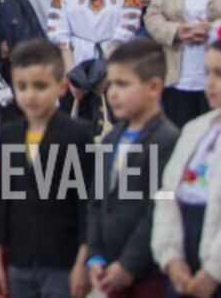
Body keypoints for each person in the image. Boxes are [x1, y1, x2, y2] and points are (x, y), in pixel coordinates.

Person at [0, 39, 93, 298]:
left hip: (62, 261)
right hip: (19, 260)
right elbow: (1, 203)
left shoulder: (78, 134)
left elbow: (89, 203)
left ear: (61, 86)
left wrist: (83, 260)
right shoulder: (9, 135)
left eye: (40, 86)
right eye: (22, 87)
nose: (30, 95)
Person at [151, 17, 221, 298]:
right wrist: (171, 256)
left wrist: (216, 270)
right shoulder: (195, 129)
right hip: (184, 253)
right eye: (206, 73)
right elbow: (167, 192)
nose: (210, 83)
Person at [85, 38, 178, 297]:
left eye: (123, 84)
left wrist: (128, 266)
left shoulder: (167, 139)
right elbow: (95, 202)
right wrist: (94, 256)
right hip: (106, 270)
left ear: (154, 87)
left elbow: (157, 209)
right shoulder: (111, 138)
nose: (112, 93)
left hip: (146, 273)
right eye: (110, 84)